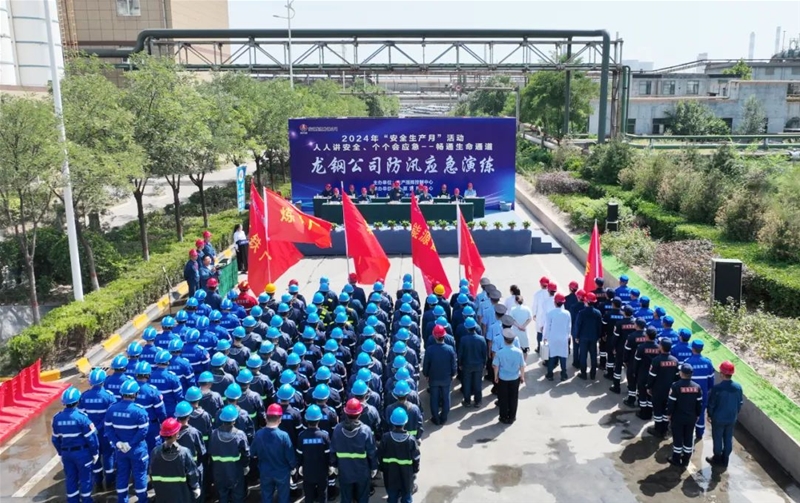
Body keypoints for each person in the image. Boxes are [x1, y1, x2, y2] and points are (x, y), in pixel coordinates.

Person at [104, 380, 150, 503]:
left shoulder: (112, 409)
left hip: (120, 450)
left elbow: (108, 429)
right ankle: (142, 500)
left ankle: (122, 500)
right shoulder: (139, 411)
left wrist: (117, 442)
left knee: (122, 475)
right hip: (137, 449)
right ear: (135, 394)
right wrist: (131, 444)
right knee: (140, 475)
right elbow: (143, 431)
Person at [53, 387, 100, 503]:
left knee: (71, 478)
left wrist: (60, 453)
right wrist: (95, 452)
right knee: (85, 478)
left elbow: (55, 439)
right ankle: (86, 500)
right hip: (82, 454)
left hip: (66, 454)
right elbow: (91, 438)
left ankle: (73, 500)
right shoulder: (82, 418)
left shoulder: (57, 418)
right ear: (78, 401)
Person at [330, 398, 379, 503]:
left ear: (346, 413)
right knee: (363, 498)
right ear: (360, 413)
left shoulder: (338, 429)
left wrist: (334, 465)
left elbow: (333, 449)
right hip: (362, 471)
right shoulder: (366, 430)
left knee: (346, 498)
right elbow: (371, 452)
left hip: (345, 471)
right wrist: (374, 467)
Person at [78, 369, 117, 492]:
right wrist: (99, 427)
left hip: (90, 434)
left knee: (94, 457)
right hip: (105, 433)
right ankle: (110, 481)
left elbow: (82, 416)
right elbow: (111, 416)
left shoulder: (84, 396)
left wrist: (91, 428)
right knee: (108, 456)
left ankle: (98, 482)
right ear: (103, 381)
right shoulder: (109, 396)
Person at [251, 403, 296, 503]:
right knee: (283, 497)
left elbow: (252, 453)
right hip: (282, 472)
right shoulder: (284, 436)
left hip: (265, 471)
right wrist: (293, 467)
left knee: (266, 497)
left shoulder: (258, 434)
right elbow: (290, 456)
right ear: (280, 419)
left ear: (266, 418)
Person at [149, 418, 201, 502]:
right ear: (176, 434)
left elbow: (151, 472)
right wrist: (195, 487)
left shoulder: (155, 452)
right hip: (181, 495)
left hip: (162, 495)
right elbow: (192, 473)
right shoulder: (184, 452)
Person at [209, 405, 251, 503]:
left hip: (219, 471)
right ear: (234, 420)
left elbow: (210, 452)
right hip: (235, 471)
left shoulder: (214, 434)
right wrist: (245, 465)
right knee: (238, 495)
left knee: (223, 495)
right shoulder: (240, 435)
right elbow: (246, 453)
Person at [706, 361, 743, 468]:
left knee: (718, 438)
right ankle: (725, 459)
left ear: (722, 374)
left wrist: (709, 415)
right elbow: (740, 403)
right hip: (731, 418)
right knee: (728, 438)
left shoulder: (717, 388)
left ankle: (717, 458)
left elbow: (711, 404)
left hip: (718, 418)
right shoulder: (738, 387)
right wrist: (735, 413)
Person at [379, 408, 421, 503]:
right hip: (406, 474)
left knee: (392, 495)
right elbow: (416, 458)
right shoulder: (411, 440)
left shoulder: (386, 438)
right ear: (405, 422)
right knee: (406, 495)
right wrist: (415, 470)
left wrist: (381, 469)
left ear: (392, 422)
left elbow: (380, 455)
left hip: (390, 473)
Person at [665, 363, 703, 467]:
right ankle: (686, 459)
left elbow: (671, 402)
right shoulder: (697, 387)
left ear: (681, 373)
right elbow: (699, 403)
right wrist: (698, 415)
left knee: (678, 438)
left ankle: (676, 459)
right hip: (691, 417)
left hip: (678, 417)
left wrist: (669, 414)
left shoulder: (676, 386)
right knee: (688, 437)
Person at [422, 325, 457, 425]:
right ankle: (444, 417)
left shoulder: (430, 350)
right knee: (446, 397)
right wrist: (453, 374)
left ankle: (436, 418)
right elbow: (453, 364)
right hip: (446, 378)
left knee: (434, 398)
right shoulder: (450, 349)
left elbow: (426, 365)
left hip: (433, 378)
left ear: (434, 336)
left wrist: (426, 374)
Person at [297, 405, 331, 503]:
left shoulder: (302, 436)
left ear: (306, 420)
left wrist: (299, 466)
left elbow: (299, 455)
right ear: (319, 420)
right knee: (322, 495)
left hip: (308, 472)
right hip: (322, 472)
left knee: (309, 496)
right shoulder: (324, 436)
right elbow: (328, 455)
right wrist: (330, 466)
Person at [646, 338, 679, 439]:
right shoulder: (675, 361)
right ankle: (665, 429)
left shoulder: (656, 360)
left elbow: (652, 376)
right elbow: (677, 377)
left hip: (658, 390)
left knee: (657, 410)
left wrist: (649, 387)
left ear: (661, 347)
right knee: (666, 409)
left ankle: (658, 429)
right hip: (669, 390)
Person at [493, 326, 526, 424]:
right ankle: (512, 416)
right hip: (515, 378)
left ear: (504, 340)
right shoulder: (519, 352)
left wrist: (495, 376)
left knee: (503, 398)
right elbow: (522, 365)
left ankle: (503, 417)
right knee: (513, 398)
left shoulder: (500, 353)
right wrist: (522, 376)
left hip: (503, 378)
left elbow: (496, 366)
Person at [458, 317, 487, 408]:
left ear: (466, 328)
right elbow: (484, 353)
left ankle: (467, 401)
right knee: (477, 383)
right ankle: (478, 401)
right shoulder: (481, 339)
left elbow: (460, 353)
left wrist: (460, 364)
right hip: (478, 365)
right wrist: (484, 363)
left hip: (467, 365)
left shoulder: (463, 339)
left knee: (467, 383)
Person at [544, 293, 572, 381]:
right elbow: (569, 326)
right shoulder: (567, 313)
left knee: (552, 356)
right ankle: (564, 374)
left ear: (555, 302)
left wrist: (545, 337)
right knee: (563, 356)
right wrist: (568, 336)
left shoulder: (550, 313)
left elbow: (547, 327)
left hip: (553, 338)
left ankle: (550, 374)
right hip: (563, 338)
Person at [575, 292, 603, 380]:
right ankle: (593, 374)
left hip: (583, 337)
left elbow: (578, 325)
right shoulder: (598, 313)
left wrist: (576, 336)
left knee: (583, 356)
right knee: (593, 356)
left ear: (586, 301)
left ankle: (583, 374)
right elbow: (599, 326)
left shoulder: (581, 313)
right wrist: (599, 336)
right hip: (593, 337)